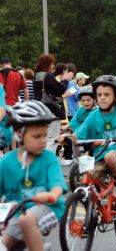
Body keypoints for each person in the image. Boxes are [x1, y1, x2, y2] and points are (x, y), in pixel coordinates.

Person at [58, 75, 116, 206]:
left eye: (107, 94)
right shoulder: (94, 115)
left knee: (110, 157)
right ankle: (93, 214)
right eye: (99, 94)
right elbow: (80, 132)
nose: (102, 97)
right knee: (86, 177)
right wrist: (68, 137)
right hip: (100, 154)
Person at [0, 100, 67, 251]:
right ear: (19, 134)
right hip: (16, 213)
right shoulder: (5, 162)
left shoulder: (48, 158)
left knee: (27, 220)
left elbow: (57, 185)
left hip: (48, 207)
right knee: (4, 243)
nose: (43, 141)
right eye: (37, 137)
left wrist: (51, 195)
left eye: (44, 135)